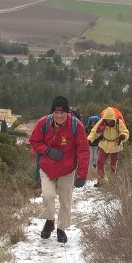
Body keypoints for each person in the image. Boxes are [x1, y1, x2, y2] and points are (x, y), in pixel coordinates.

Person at [28, 96, 89, 243]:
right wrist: (47, 150)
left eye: (63, 113)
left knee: (65, 201)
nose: (59, 116)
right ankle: (49, 221)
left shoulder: (76, 126)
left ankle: (61, 229)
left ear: (68, 113)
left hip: (67, 169)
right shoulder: (44, 123)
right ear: (52, 113)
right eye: (56, 113)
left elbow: (83, 150)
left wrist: (82, 174)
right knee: (48, 195)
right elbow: (34, 141)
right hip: (47, 167)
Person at [87, 106, 129, 186]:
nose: (108, 121)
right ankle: (101, 181)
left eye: (110, 119)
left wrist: (123, 136)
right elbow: (94, 132)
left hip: (115, 145)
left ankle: (113, 181)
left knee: (113, 164)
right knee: (99, 162)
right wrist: (89, 140)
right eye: (107, 119)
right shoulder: (102, 122)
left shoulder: (119, 122)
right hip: (104, 144)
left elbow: (125, 132)